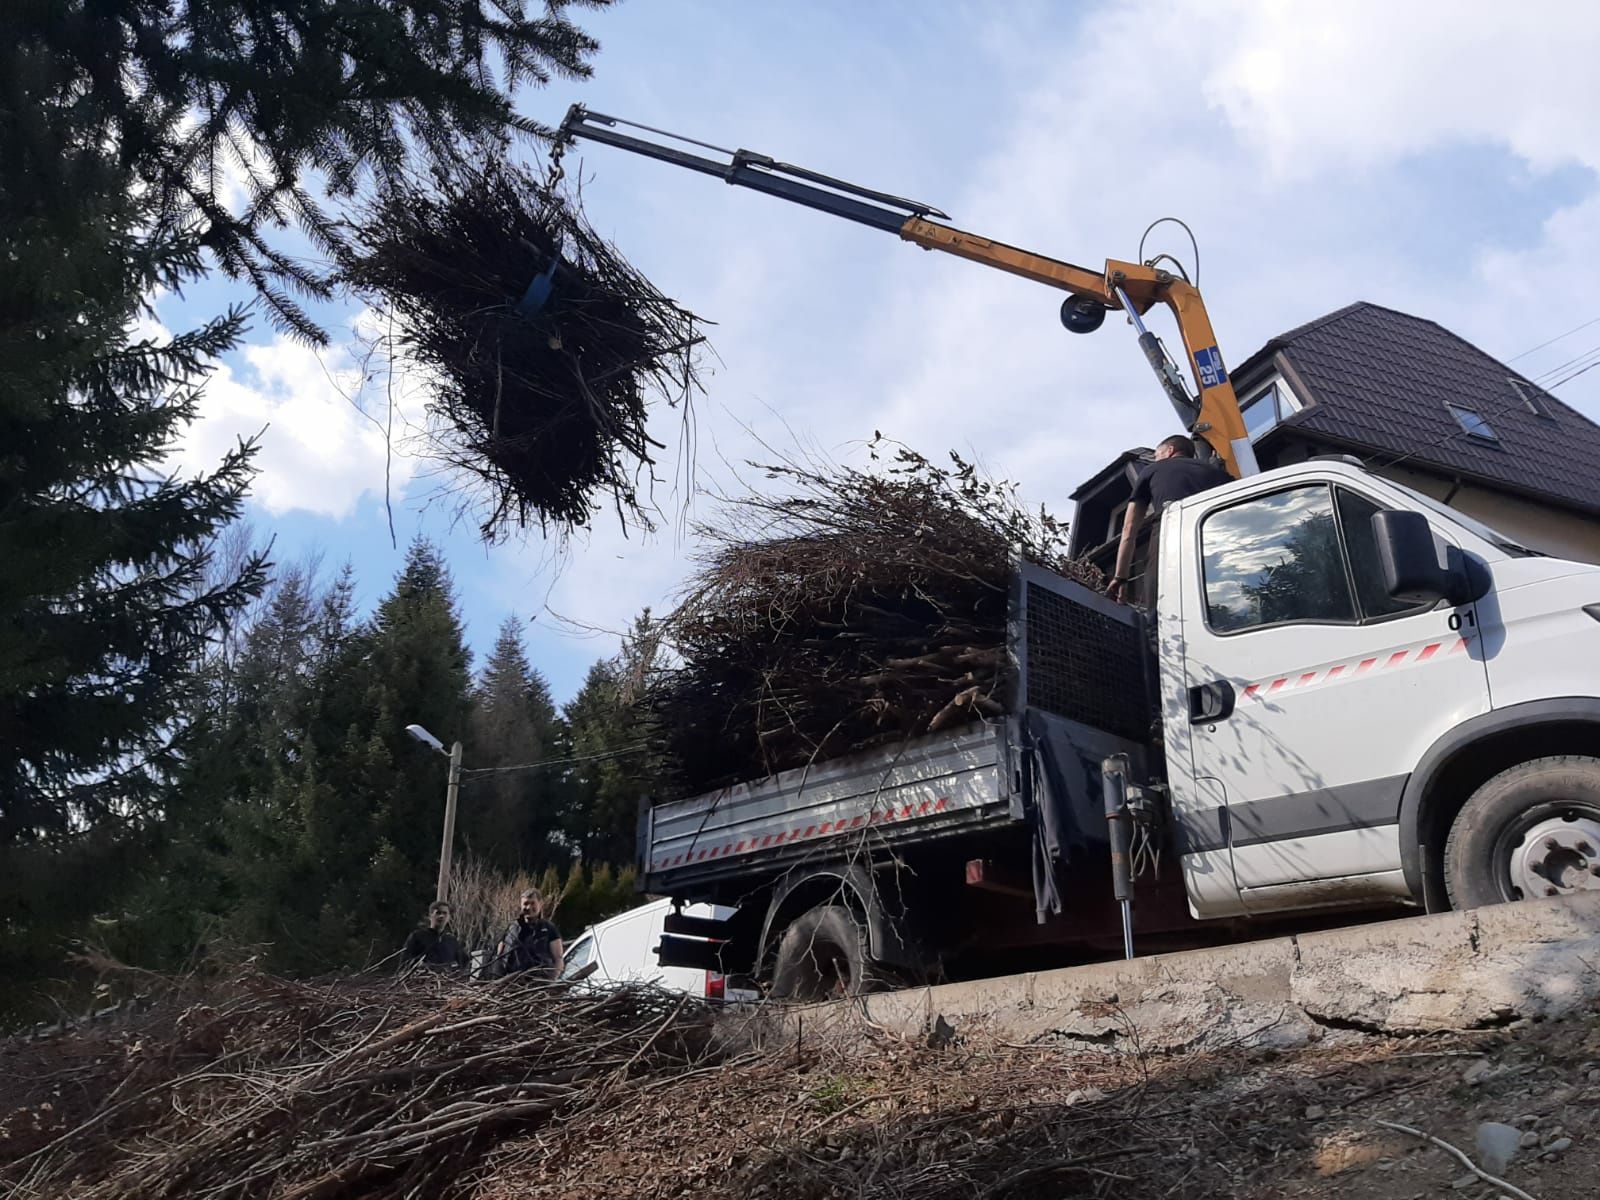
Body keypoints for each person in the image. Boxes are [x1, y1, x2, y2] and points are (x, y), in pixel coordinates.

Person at [1107, 434, 1232, 605]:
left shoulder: (1152, 471)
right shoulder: (1218, 473)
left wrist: (1120, 577)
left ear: (1169, 451)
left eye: (1157, 455)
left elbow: (1129, 529)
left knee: (1161, 610)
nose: (1156, 459)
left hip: (1168, 539)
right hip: (1213, 545)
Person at [496, 888, 565, 979]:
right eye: (525, 904)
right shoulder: (511, 929)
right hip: (510, 984)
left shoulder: (549, 929)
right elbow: (499, 956)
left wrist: (551, 981)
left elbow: (558, 959)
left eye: (533, 903)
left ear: (540, 904)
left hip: (538, 985)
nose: (528, 907)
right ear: (520, 905)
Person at [401, 901, 469, 971]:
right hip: (423, 979)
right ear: (430, 915)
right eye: (438, 913)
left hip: (448, 980)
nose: (441, 916)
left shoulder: (452, 941)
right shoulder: (417, 937)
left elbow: (464, 963)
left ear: (449, 917)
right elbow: (405, 962)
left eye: (445, 913)